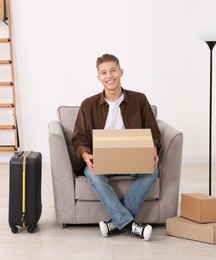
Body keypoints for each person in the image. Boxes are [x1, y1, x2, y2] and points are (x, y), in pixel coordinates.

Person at [72, 54, 161, 241]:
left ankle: (116, 222)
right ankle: (130, 224)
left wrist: (153, 149)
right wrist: (86, 155)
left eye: (113, 70)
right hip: (102, 160)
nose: (109, 76)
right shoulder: (88, 105)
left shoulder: (139, 100)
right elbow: (79, 138)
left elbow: (153, 133)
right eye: (103, 72)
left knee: (153, 171)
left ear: (121, 72)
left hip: (133, 159)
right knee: (93, 175)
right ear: (98, 77)